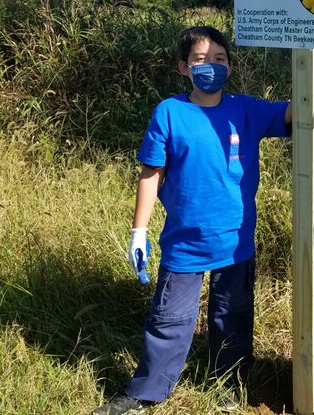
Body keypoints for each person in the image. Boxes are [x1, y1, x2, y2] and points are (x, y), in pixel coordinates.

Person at [95, 26, 292, 415]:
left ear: (230, 67)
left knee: (232, 316)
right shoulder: (170, 112)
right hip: (184, 242)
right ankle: (148, 391)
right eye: (201, 59)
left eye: (219, 59)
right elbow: (151, 174)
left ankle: (228, 384)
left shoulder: (246, 109)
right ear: (184, 67)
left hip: (235, 240)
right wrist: (139, 231)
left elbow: (291, 110)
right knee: (169, 318)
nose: (211, 66)